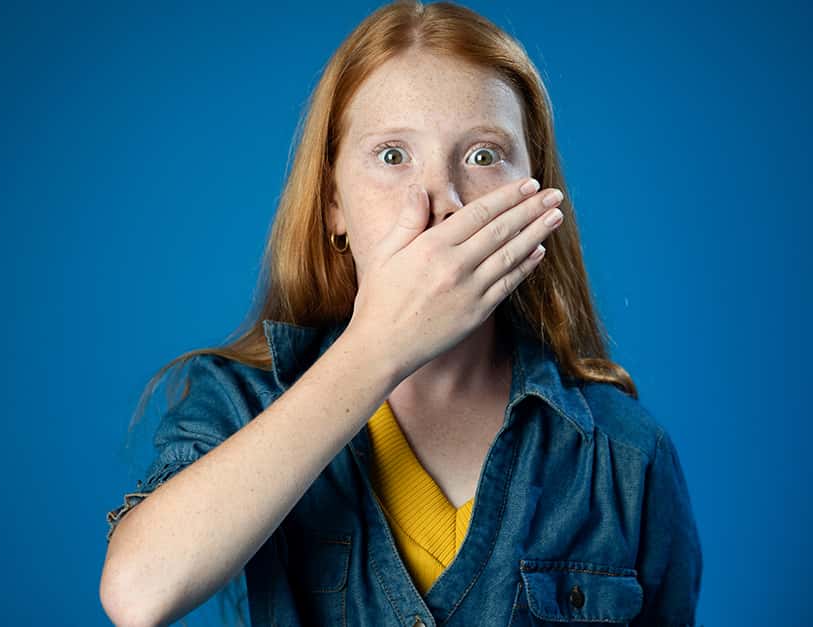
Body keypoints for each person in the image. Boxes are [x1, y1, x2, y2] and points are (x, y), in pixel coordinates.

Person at [100, 1, 702, 625]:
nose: (442, 201)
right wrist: (380, 346)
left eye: (484, 155)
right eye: (392, 155)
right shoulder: (242, 400)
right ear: (333, 204)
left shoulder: (625, 454)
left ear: (539, 198)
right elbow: (138, 593)